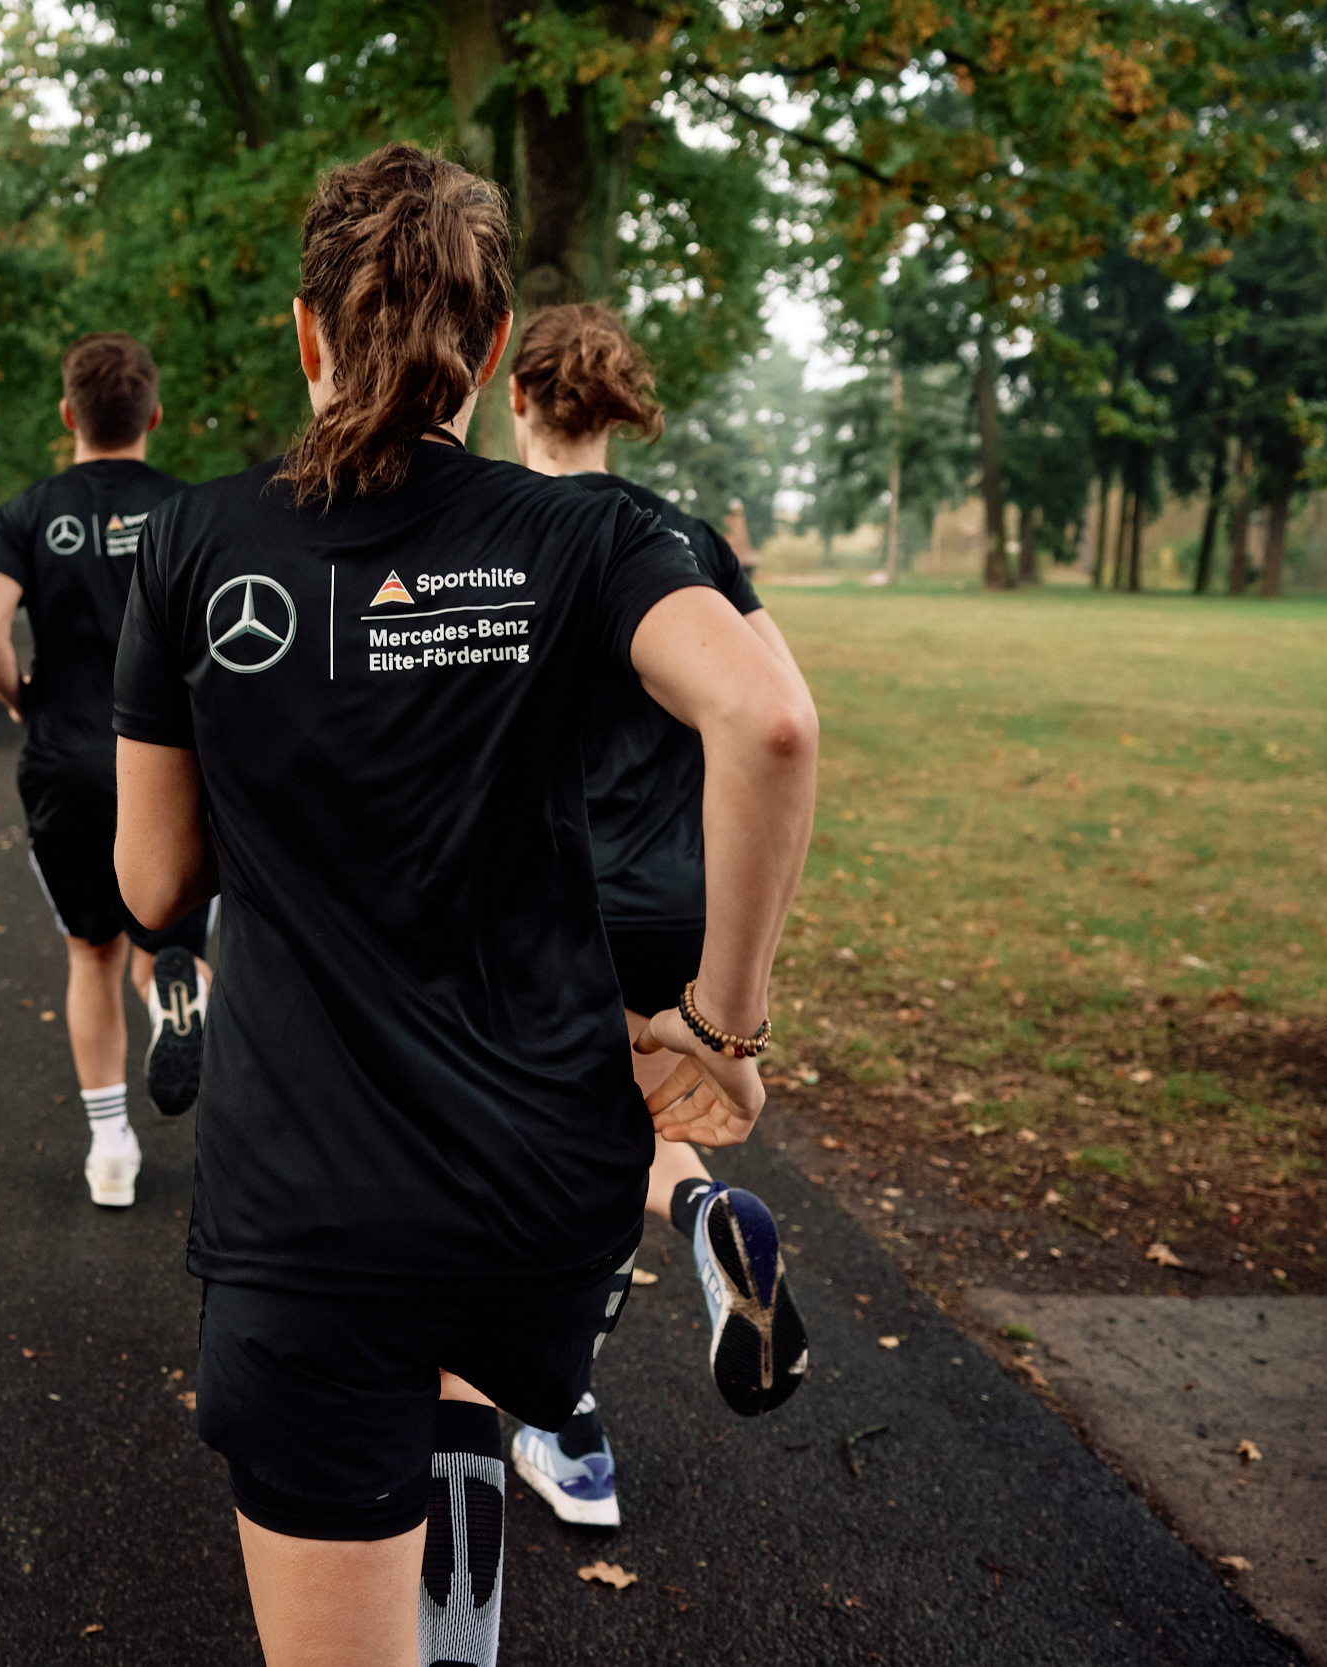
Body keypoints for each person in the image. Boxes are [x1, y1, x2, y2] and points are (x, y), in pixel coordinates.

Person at [111, 146, 818, 1667]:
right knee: (460, 1374)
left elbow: (153, 884)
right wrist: (722, 1023)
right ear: (489, 351)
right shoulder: (588, 534)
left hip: (306, 1204)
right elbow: (769, 722)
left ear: (305, 333)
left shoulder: (190, 544)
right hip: (531, 1188)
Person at [498, 303, 817, 1532]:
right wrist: (741, 996)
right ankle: (702, 1210)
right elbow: (781, 710)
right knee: (630, 1103)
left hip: (543, 894)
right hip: (677, 900)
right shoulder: (677, 542)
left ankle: (565, 1430)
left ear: (512, 395)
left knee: (533, 1162)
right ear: (615, 409)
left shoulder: (491, 533)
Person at [0, 332, 213, 1212]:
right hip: (173, 766)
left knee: (90, 948)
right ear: (154, 415)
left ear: (69, 414)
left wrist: (21, 696)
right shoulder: (193, 510)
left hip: (65, 762)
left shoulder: (29, 512)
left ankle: (111, 1151)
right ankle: (176, 995)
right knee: (168, 937)